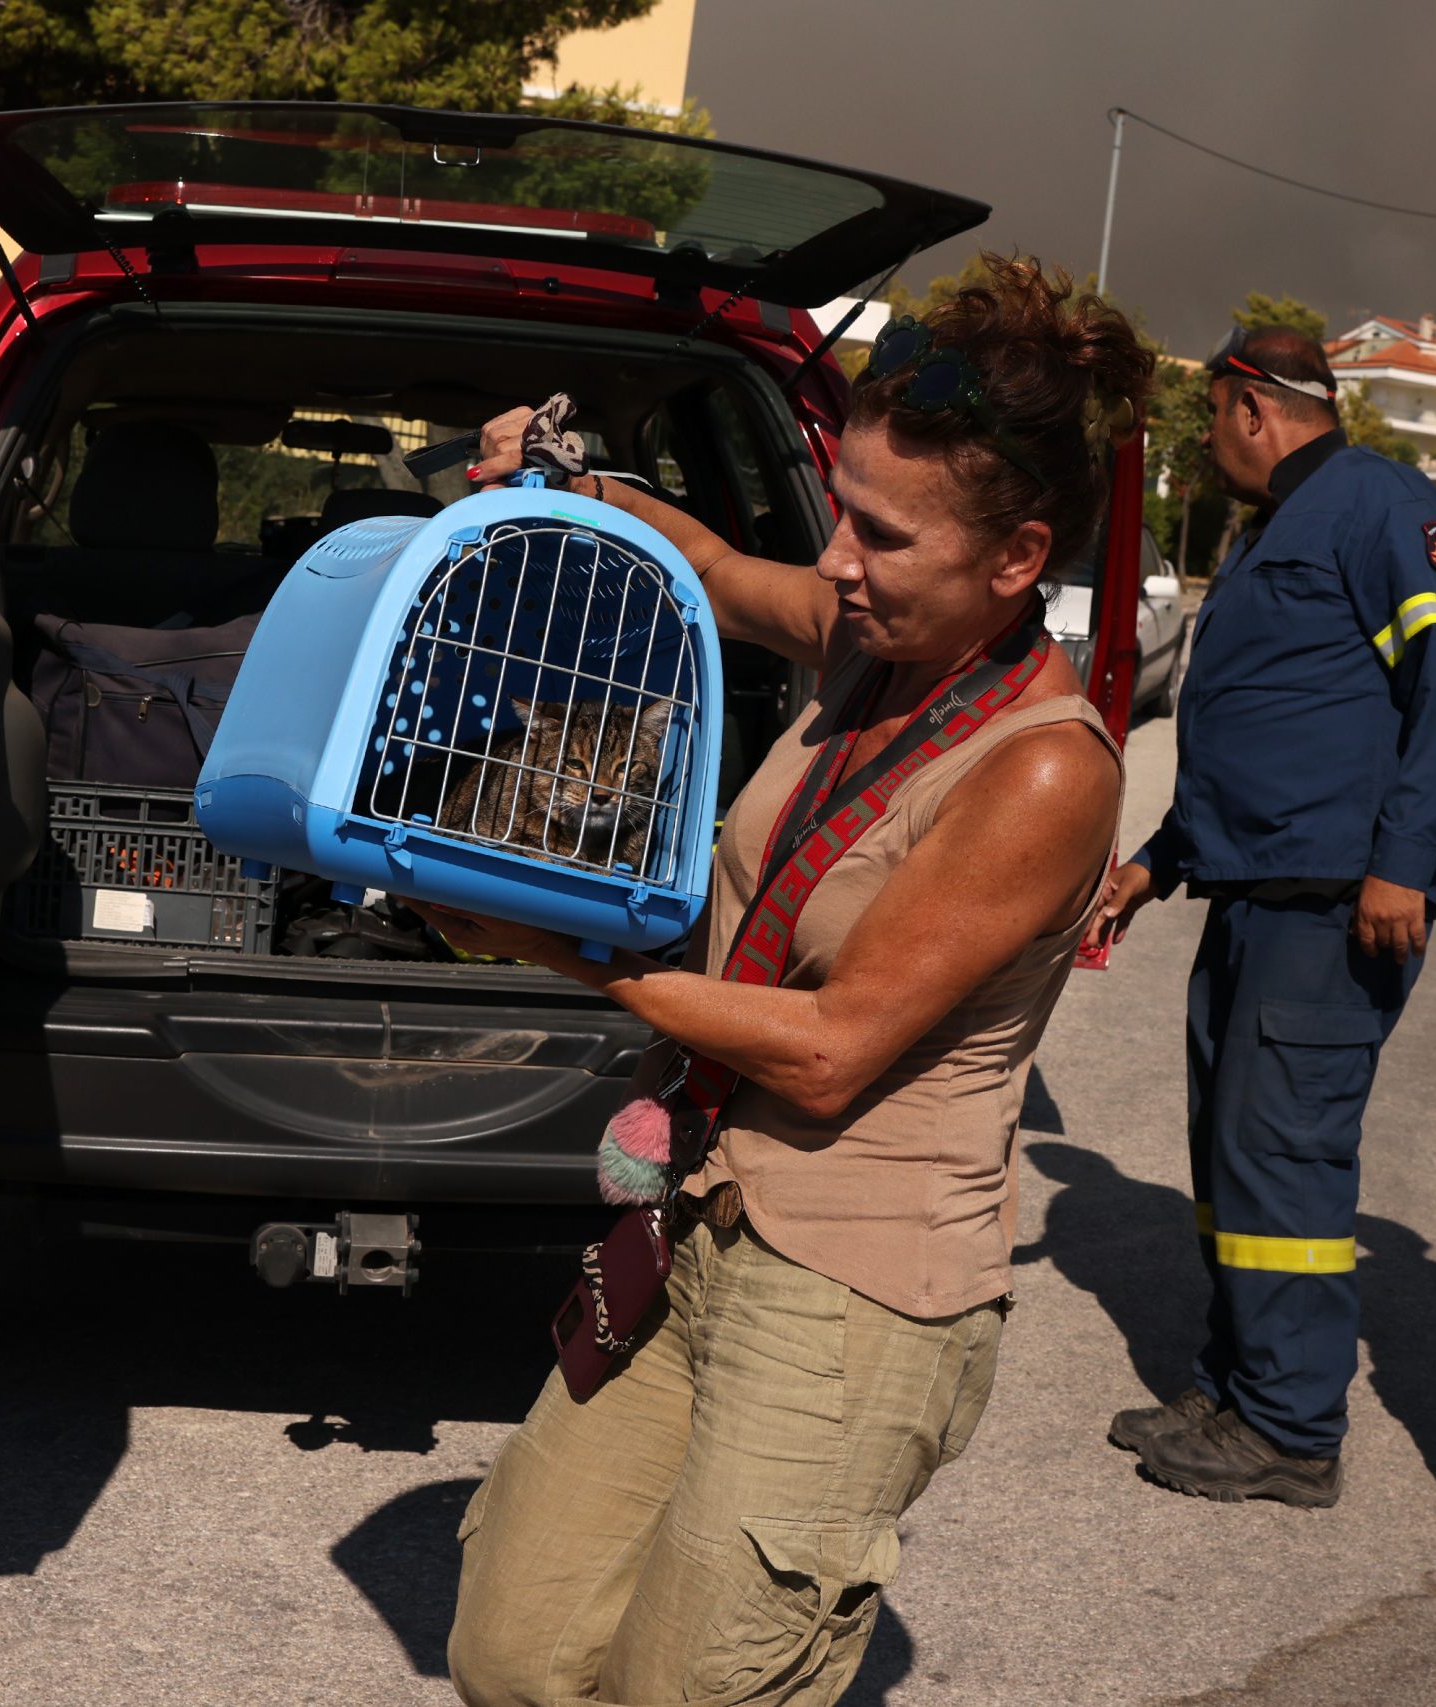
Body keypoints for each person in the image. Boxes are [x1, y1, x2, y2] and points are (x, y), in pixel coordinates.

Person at [427, 258, 1144, 1706]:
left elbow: (827, 1048)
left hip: (854, 1295)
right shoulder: (866, 642)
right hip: (698, 1220)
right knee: (515, 1647)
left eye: (881, 533)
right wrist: (573, 479)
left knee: (694, 1685)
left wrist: (560, 944)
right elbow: (700, 567)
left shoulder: (1045, 766)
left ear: (1018, 559)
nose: (837, 560)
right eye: (840, 514)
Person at [1096, 325, 1436, 1506]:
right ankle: (1234, 1383)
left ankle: (1291, 1427)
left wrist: (1404, 865)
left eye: (1213, 419)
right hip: (1256, 898)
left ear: (1247, 407)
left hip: (1335, 908)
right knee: (1231, 1158)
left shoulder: (1383, 508)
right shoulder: (1286, 522)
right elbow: (1270, 731)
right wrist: (1156, 864)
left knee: (1285, 1160)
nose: (1212, 440)